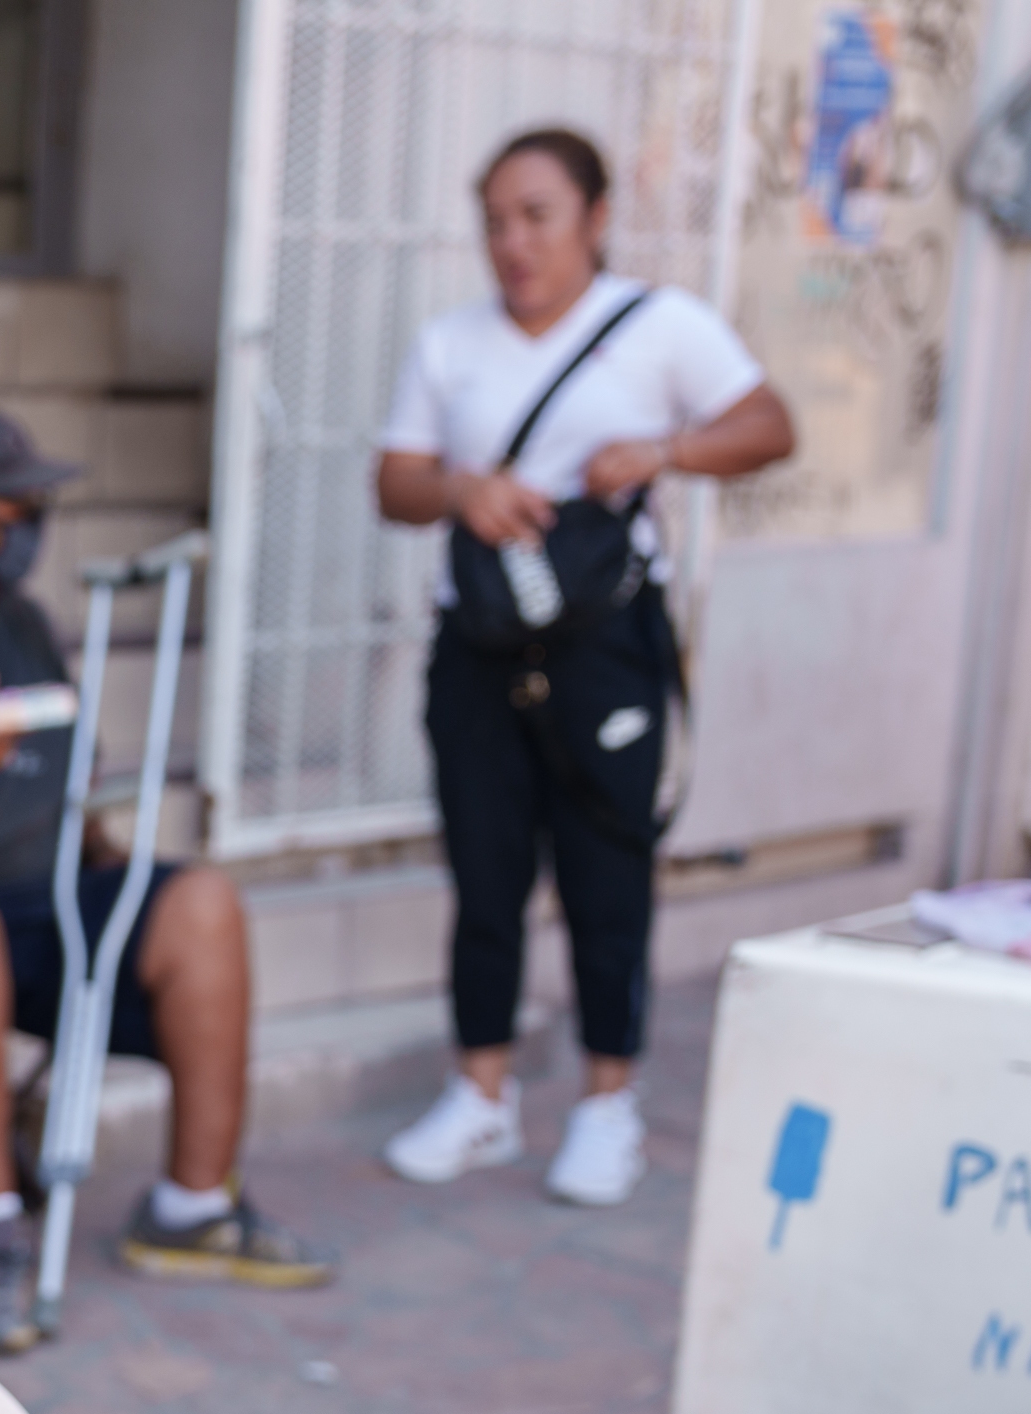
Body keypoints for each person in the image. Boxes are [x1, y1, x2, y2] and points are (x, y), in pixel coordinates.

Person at [0, 403, 330, 1354]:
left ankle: (192, 1206)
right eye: (17, 504)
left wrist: (109, 861)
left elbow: (60, 786)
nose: (33, 522)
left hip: (38, 902)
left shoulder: (23, 623)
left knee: (199, 902)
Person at [375, 128, 795, 1206]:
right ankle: (481, 1095)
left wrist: (665, 453)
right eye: (495, 221)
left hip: (604, 649)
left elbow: (767, 425)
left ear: (594, 219)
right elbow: (395, 481)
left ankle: (608, 1104)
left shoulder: (659, 330)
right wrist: (464, 491)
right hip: (478, 647)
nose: (512, 243)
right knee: (483, 876)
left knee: (607, 877)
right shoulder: (450, 343)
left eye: (536, 215)